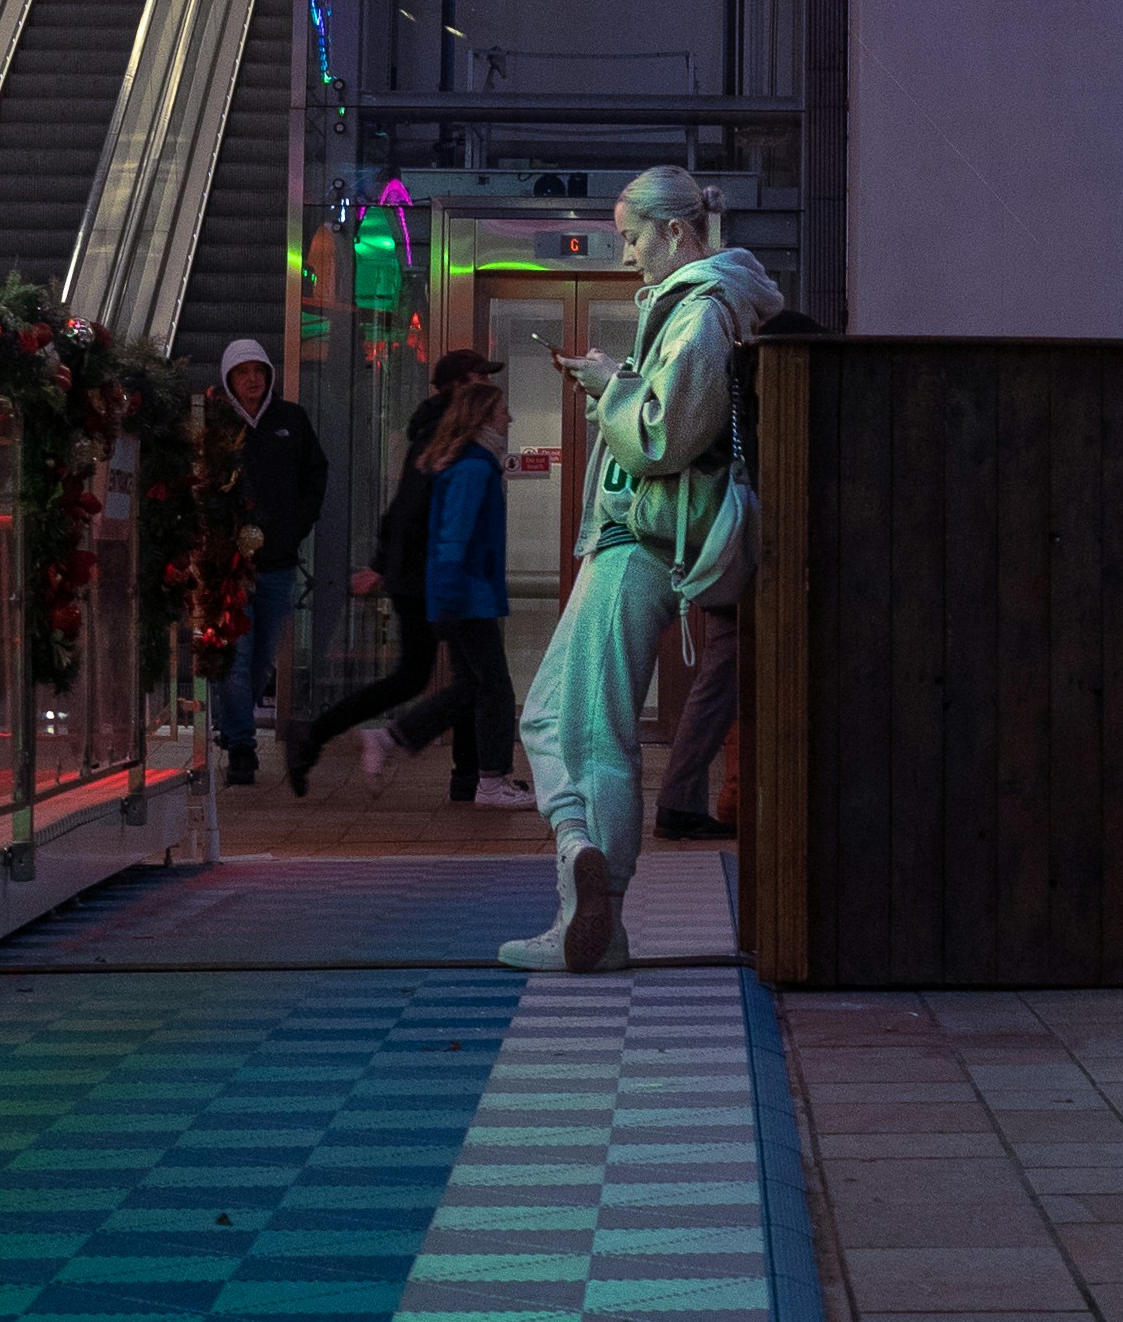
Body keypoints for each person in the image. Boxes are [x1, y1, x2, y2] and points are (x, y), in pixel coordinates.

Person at [508, 168, 777, 973]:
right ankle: (581, 860)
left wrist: (606, 387)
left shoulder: (699, 309)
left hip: (641, 543)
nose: (625, 255)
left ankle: (592, 898)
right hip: (647, 541)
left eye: (630, 236)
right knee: (554, 715)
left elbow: (664, 437)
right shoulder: (712, 304)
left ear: (674, 230)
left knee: (586, 727)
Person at [283, 347, 494, 792]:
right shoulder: (444, 431)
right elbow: (412, 506)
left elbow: (402, 505)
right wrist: (392, 566)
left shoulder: (435, 427)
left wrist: (384, 563)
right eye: (479, 377)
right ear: (457, 384)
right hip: (425, 574)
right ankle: (323, 734)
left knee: (454, 676)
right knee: (445, 677)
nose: (487, 386)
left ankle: (467, 775)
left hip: (420, 571)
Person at [651, 297, 821, 839]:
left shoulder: (732, 388)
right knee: (720, 684)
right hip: (756, 556)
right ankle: (683, 802)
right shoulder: (768, 397)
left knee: (720, 683)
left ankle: (696, 800)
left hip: (729, 553)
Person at [341, 372, 519, 806]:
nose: (509, 417)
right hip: (469, 596)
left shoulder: (466, 463)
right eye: (501, 411)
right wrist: (451, 599)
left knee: (470, 686)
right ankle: (492, 780)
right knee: (496, 688)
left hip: (464, 593)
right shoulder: (474, 467)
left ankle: (392, 737)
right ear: (482, 418)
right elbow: (454, 538)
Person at [209, 333, 325, 782]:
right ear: (229, 379)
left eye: (259, 372)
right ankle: (241, 745)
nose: (253, 381)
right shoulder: (217, 425)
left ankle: (234, 723)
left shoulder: (291, 420)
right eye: (243, 374)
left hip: (277, 561)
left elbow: (317, 474)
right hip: (230, 568)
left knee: (261, 660)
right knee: (235, 659)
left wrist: (298, 525)